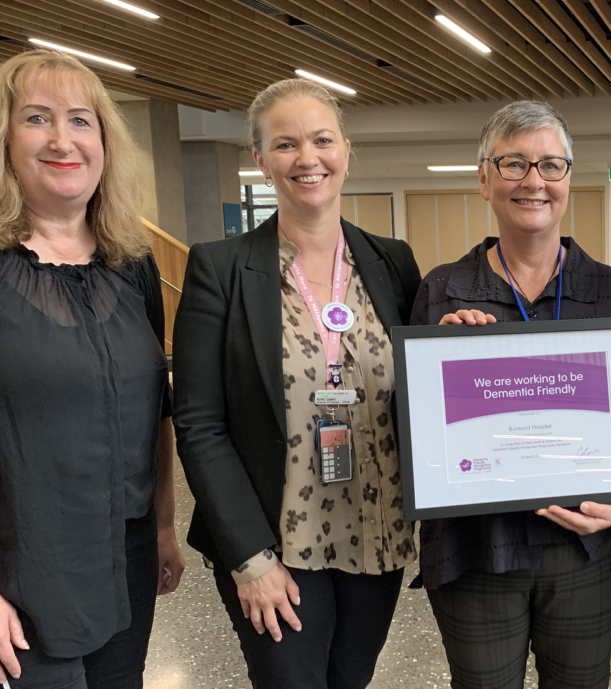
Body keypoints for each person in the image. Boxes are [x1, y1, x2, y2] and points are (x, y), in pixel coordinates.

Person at [0, 50, 183, 688]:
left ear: (105, 141)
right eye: (37, 118)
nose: (62, 139)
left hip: (123, 559)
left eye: (81, 121)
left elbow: (155, 408)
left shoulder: (131, 262)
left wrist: (162, 528)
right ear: (2, 138)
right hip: (15, 565)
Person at [171, 79, 421, 689]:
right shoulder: (221, 268)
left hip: (376, 529)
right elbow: (199, 424)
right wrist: (248, 559)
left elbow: (421, 386)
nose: (307, 159)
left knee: (350, 679)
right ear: (260, 158)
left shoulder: (393, 262)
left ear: (346, 148)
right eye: (285, 144)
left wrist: (464, 336)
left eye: (322, 140)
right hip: (274, 541)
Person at [409, 100, 611, 689]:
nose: (534, 181)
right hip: (476, 552)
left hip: (584, 553)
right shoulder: (442, 291)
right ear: (485, 178)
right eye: (514, 164)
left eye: (550, 165)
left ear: (569, 178)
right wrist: (437, 369)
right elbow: (407, 428)